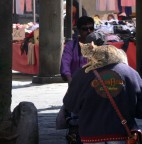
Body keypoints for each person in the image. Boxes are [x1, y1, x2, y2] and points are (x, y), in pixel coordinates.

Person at [63, 44, 142, 144]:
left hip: (91, 135)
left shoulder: (81, 74)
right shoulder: (130, 73)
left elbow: (70, 105)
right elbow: (140, 110)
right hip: (121, 134)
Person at [60, 16, 95, 85]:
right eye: (85, 29)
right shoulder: (71, 46)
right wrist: (69, 78)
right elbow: (65, 62)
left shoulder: (98, 45)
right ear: (78, 30)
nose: (89, 31)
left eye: (91, 28)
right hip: (77, 84)